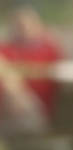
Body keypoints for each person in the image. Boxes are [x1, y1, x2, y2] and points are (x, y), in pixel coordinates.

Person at [0, 4, 62, 138]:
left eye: (26, 25)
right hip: (4, 113)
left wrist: (13, 76)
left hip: (33, 113)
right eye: (18, 25)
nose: (23, 29)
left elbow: (48, 71)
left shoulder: (47, 49)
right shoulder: (5, 49)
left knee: (11, 82)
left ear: (37, 26)